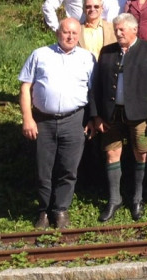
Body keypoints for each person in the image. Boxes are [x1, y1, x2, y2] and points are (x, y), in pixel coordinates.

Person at [89, 13, 147, 222]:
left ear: (135, 30)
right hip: (110, 114)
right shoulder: (107, 52)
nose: (118, 32)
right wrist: (96, 115)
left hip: (141, 114)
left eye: (122, 29)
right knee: (111, 154)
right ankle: (115, 199)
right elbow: (96, 86)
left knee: (141, 154)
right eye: (116, 29)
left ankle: (137, 198)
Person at [18, 18, 96, 229]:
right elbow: (25, 88)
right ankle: (43, 210)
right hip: (43, 121)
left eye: (74, 33)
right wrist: (27, 118)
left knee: (68, 168)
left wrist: (91, 118)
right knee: (44, 169)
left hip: (74, 120)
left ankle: (61, 209)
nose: (70, 36)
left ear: (79, 35)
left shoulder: (87, 58)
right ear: (57, 33)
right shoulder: (40, 54)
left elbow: (93, 92)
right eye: (65, 32)